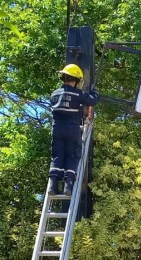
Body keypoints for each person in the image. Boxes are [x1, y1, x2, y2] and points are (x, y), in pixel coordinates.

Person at [49, 63, 99, 196]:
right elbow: (92, 101)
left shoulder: (54, 94)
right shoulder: (78, 94)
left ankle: (53, 186)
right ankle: (68, 186)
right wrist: (95, 91)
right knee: (73, 155)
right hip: (72, 130)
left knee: (58, 155)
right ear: (76, 80)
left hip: (57, 130)